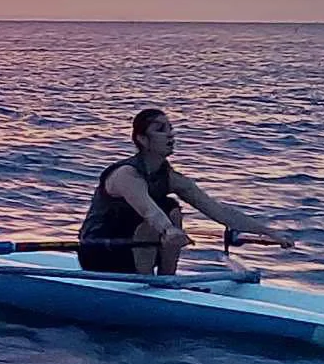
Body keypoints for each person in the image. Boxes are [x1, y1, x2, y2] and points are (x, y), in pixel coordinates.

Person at [78, 107, 295, 276]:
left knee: (172, 208)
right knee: (164, 214)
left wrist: (268, 232)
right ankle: (148, 284)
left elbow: (219, 211)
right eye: (160, 129)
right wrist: (169, 231)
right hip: (100, 251)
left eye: (170, 128)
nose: (170, 134)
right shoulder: (127, 174)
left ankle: (165, 281)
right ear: (142, 139)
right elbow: (149, 211)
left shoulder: (170, 177)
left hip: (134, 250)